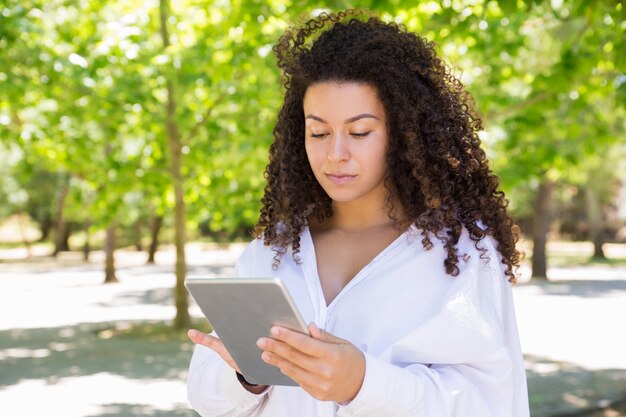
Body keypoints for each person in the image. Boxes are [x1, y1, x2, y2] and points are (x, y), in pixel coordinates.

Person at [186, 9, 530, 417]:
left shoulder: (461, 251)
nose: (335, 154)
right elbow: (207, 399)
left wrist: (363, 384)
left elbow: (490, 404)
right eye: (318, 132)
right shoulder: (274, 249)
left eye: (360, 132)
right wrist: (246, 377)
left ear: (402, 132)